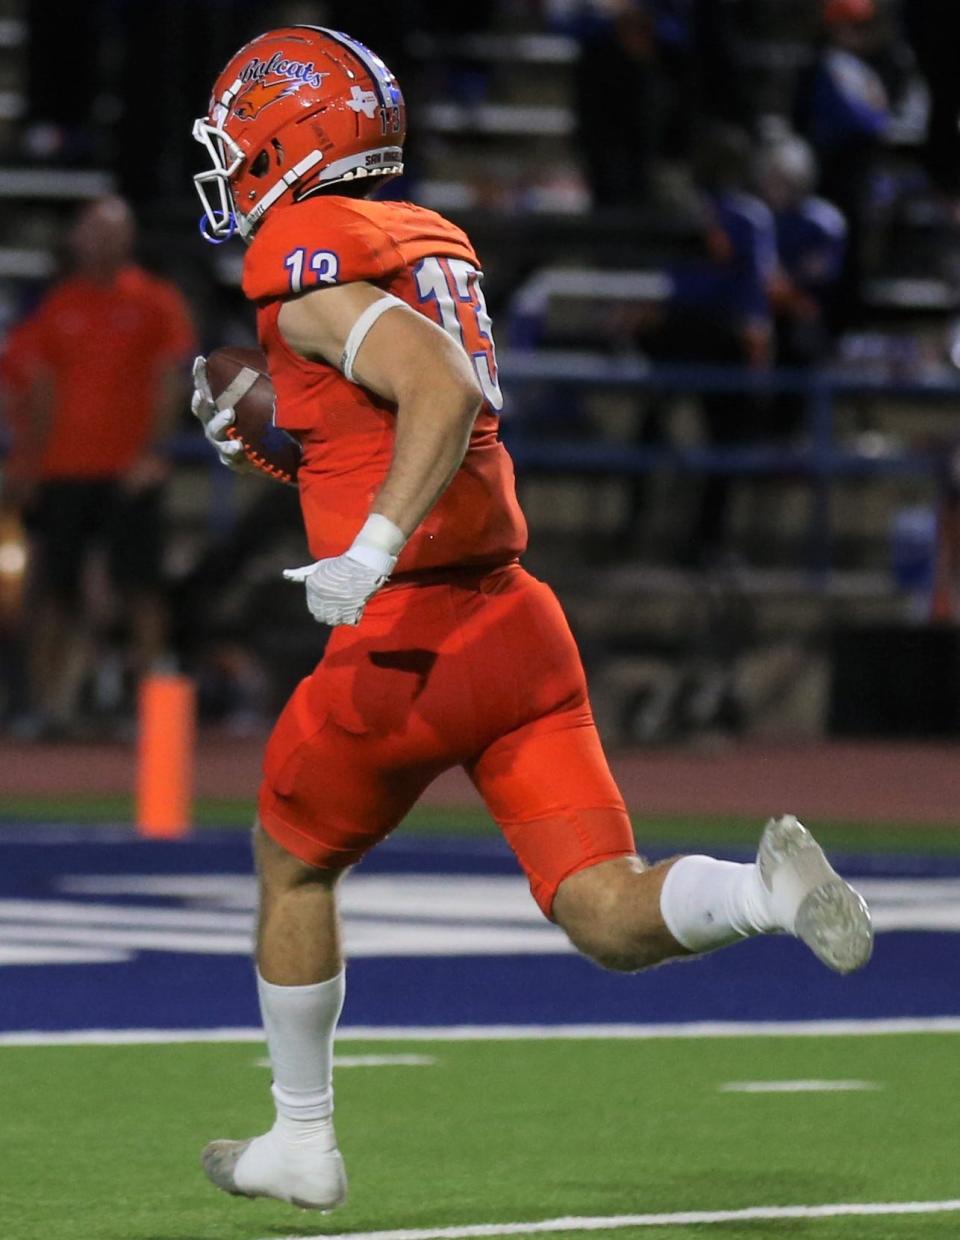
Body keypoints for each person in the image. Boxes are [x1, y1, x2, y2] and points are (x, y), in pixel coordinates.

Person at [189, 25, 873, 1213]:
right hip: (516, 626)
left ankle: (303, 1139)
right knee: (604, 910)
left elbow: (439, 391)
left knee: (290, 865)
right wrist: (291, 459)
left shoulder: (302, 247)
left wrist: (370, 548)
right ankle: (763, 893)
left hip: (409, 643)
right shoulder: (418, 241)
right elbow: (405, 425)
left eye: (237, 135)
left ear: (286, 141)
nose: (225, 158)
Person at [14, 196, 195, 736]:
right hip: (63, 469)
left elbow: (171, 379)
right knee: (54, 590)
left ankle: (151, 710)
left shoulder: (155, 301)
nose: (100, 242)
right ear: (76, 239)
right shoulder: (58, 304)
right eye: (92, 231)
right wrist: (30, 464)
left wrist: (155, 453)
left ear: (129, 240)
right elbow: (40, 389)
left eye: (111, 231)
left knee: (141, 590)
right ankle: (45, 708)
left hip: (127, 471)